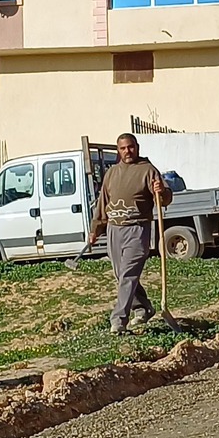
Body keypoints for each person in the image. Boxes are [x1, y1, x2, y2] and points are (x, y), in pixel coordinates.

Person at [86, 133, 173, 334]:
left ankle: (118, 320)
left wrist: (162, 191)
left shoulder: (148, 170)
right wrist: (95, 229)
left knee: (128, 274)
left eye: (131, 147)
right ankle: (143, 307)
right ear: (118, 150)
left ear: (137, 147)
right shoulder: (112, 173)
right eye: (123, 148)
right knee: (121, 275)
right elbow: (103, 203)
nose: (128, 151)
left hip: (137, 229)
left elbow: (165, 199)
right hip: (114, 229)